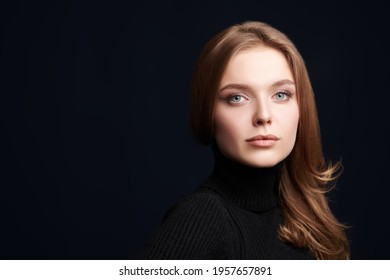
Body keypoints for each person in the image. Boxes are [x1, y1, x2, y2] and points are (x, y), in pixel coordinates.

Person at [143, 21, 350, 260]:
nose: (263, 115)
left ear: (301, 106)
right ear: (208, 112)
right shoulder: (202, 217)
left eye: (281, 95)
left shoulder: (303, 213)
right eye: (237, 97)